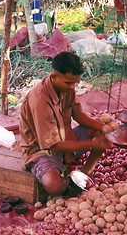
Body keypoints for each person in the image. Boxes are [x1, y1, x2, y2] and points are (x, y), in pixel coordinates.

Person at [20, 52, 113, 197]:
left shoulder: (66, 87)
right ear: (54, 75)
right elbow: (53, 146)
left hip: (64, 139)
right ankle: (68, 183)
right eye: (69, 83)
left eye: (75, 82)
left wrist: (103, 127)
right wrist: (92, 144)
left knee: (101, 133)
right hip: (42, 150)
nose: (72, 87)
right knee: (53, 186)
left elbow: (78, 115)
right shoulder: (40, 101)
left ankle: (85, 172)